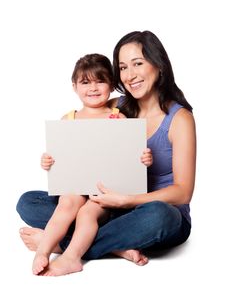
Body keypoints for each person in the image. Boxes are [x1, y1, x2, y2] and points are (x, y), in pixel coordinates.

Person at [17, 30, 196, 268]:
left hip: (150, 211)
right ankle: (115, 245)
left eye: (138, 63)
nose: (130, 75)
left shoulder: (179, 118)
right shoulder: (114, 107)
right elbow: (79, 138)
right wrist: (56, 158)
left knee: (161, 217)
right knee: (28, 202)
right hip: (105, 206)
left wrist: (127, 200)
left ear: (158, 65)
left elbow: (183, 193)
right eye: (122, 68)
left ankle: (63, 246)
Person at [28, 53, 152, 276]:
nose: (93, 88)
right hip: (75, 187)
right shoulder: (69, 120)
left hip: (105, 193)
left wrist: (144, 159)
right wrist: (48, 161)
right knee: (65, 204)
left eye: (100, 81)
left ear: (112, 85)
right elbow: (60, 158)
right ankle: (43, 251)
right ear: (75, 86)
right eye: (85, 82)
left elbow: (131, 157)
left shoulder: (117, 117)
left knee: (86, 214)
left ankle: (72, 257)